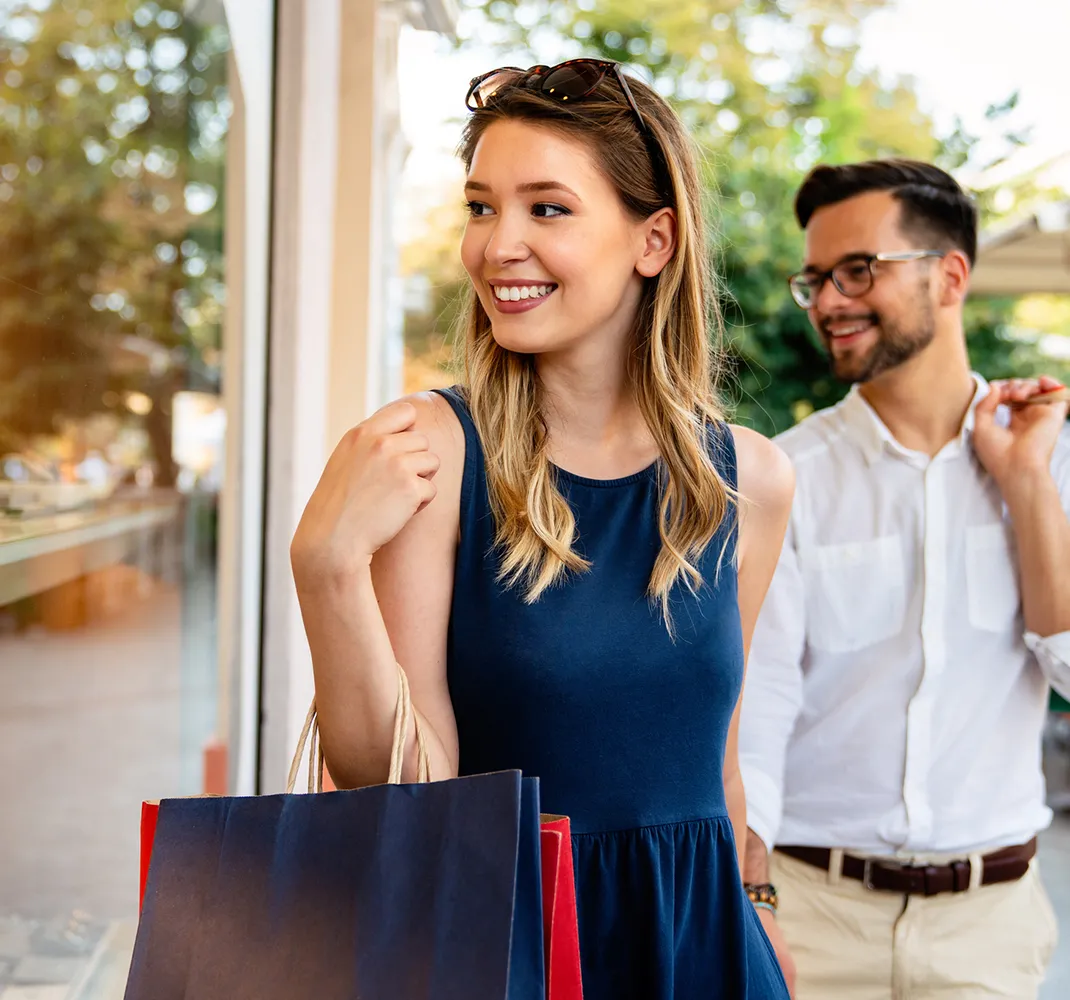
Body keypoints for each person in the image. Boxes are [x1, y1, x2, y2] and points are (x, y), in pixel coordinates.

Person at [290, 59, 793, 999]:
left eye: (546, 209)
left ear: (654, 240)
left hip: (705, 949)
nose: (496, 245)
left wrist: (755, 906)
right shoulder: (436, 454)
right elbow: (399, 790)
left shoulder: (750, 479)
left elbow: (714, 753)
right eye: (482, 207)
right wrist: (324, 569)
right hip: (510, 949)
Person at [739, 158, 1070, 999]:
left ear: (950, 275)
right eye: (815, 280)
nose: (829, 302)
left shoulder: (1053, 463)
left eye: (859, 271)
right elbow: (761, 702)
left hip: (986, 932)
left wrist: (1027, 488)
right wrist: (750, 896)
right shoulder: (789, 476)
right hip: (814, 920)